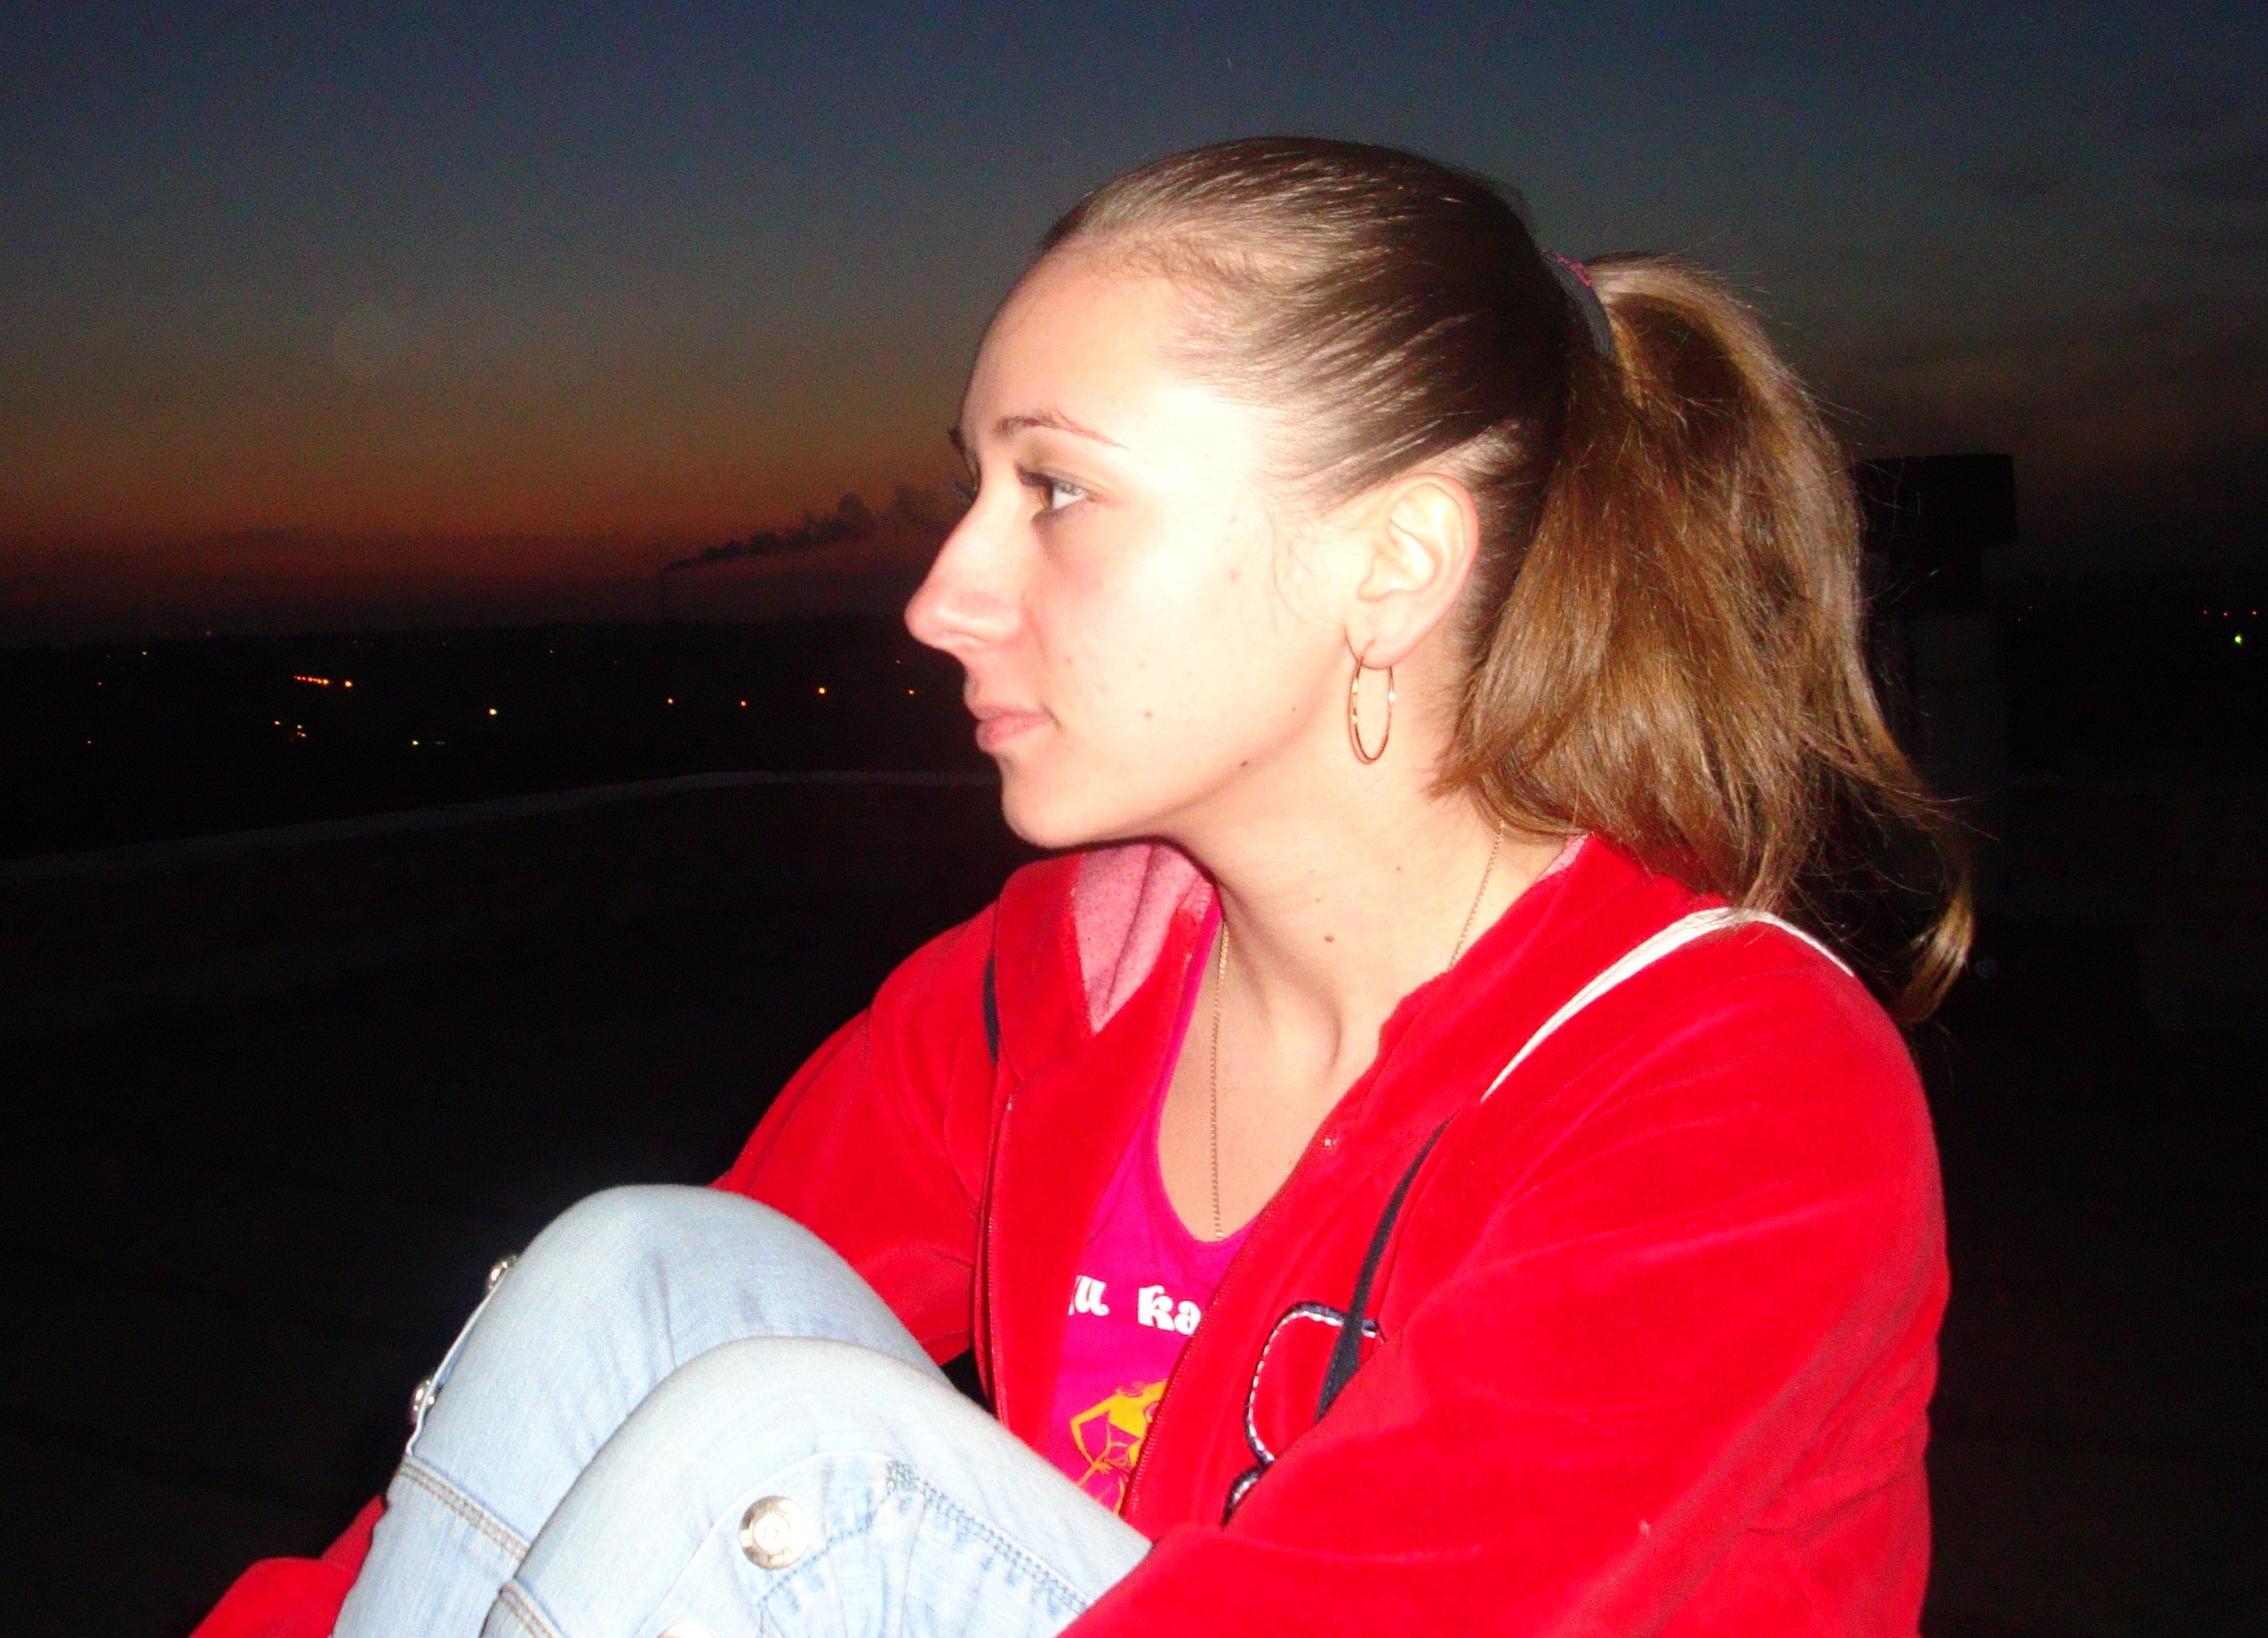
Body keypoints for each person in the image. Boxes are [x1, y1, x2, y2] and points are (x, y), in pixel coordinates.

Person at [195, 136, 1967, 1638]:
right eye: (978, 482)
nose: (940, 595)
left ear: (1392, 562)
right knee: (633, 1270)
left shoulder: (1735, 1095)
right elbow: (571, 1410)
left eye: (1052, 489)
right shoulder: (1062, 975)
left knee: (794, 1475)